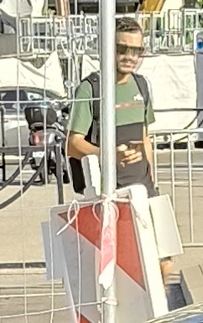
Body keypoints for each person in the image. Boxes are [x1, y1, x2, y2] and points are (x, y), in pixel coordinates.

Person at [68, 23, 156, 195]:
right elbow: (72, 145)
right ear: (108, 48)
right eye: (122, 49)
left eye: (137, 51)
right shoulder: (90, 88)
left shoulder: (142, 85)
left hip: (144, 191)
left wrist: (152, 180)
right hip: (107, 194)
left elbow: (145, 137)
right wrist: (108, 156)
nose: (130, 57)